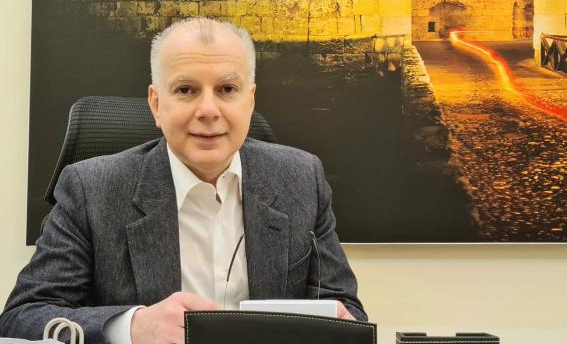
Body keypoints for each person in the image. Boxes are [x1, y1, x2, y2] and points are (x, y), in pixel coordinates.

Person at [0, 18, 367, 343]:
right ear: (156, 104)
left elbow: (346, 308)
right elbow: (22, 318)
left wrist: (337, 325)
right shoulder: (90, 189)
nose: (208, 110)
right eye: (186, 90)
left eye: (227, 89)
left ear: (250, 100)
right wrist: (133, 326)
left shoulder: (301, 178)